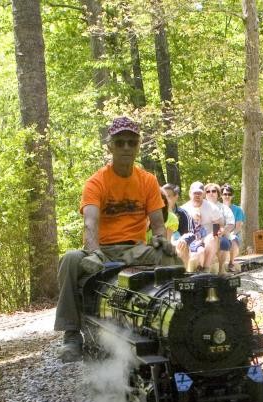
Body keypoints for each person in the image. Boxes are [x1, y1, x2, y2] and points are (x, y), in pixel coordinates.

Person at [54, 116, 178, 362]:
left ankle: (172, 319)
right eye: (120, 142)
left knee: (170, 255)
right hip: (102, 250)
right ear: (110, 146)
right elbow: (90, 222)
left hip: (135, 249)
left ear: (138, 146)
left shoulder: (148, 180)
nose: (126, 148)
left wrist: (162, 241)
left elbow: (158, 223)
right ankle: (71, 333)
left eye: (131, 143)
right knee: (69, 259)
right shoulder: (96, 182)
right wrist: (93, 251)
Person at [177, 181, 221, 271]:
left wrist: (216, 234)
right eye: (195, 193)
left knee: (213, 238)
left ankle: (205, 269)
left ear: (204, 194)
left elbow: (218, 225)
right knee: (181, 242)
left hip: (207, 238)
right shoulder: (183, 209)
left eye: (199, 193)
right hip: (190, 239)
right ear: (190, 194)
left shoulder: (212, 207)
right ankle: (184, 272)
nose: (197, 195)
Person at [204, 182, 234, 272]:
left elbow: (231, 223)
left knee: (224, 243)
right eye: (208, 191)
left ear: (218, 194)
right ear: (205, 194)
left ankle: (221, 269)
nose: (211, 193)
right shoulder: (200, 207)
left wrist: (223, 231)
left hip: (220, 236)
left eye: (213, 191)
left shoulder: (224, 208)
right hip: (203, 236)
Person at [220, 184, 245, 271]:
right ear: (221, 195)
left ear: (232, 196)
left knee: (232, 238)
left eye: (229, 194)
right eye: (225, 194)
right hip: (220, 234)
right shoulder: (217, 208)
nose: (227, 196)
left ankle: (231, 263)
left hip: (233, 234)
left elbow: (238, 227)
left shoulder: (238, 210)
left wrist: (228, 235)